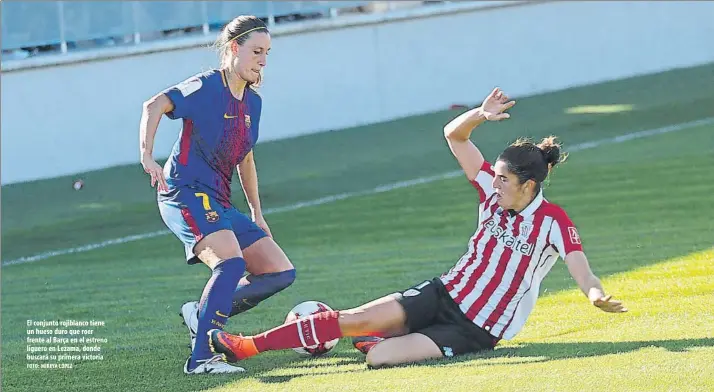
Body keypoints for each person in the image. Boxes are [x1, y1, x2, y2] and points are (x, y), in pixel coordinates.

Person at [206, 87, 628, 368]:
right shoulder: (490, 191)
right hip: (441, 292)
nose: (493, 183)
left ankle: (385, 340)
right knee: (350, 318)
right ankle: (247, 345)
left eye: (504, 179)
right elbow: (455, 137)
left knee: (378, 361)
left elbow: (581, 268)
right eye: (494, 175)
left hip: (475, 329)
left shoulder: (553, 221)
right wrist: (479, 115)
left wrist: (596, 296)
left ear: (529, 185)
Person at [139, 15, 296, 375]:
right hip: (184, 193)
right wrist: (147, 155)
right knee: (230, 264)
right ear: (233, 48)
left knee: (280, 272)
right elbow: (154, 105)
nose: (263, 60)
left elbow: (246, 159)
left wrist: (257, 212)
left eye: (267, 53)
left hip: (219, 200)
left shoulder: (252, 104)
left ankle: (201, 312)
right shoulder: (207, 86)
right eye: (257, 51)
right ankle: (201, 359)